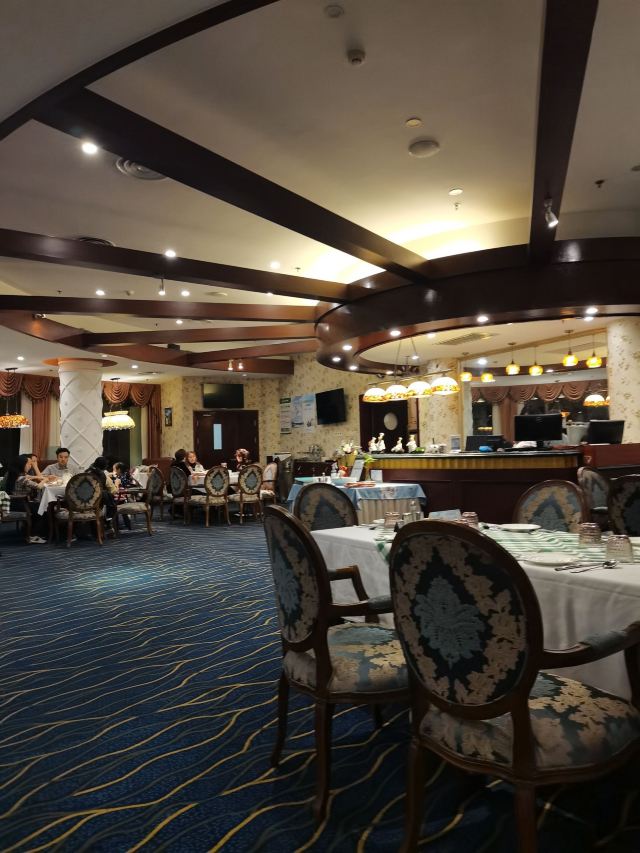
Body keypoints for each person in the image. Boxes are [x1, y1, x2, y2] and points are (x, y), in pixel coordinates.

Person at [5, 453, 47, 543]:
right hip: (19, 503)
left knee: (38, 506)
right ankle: (32, 535)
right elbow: (39, 486)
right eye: (28, 464)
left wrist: (36, 477)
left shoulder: (14, 475)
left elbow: (28, 478)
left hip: (13, 502)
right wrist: (45, 480)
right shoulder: (22, 478)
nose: (30, 466)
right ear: (22, 465)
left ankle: (29, 531)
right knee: (41, 509)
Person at [86, 456, 118, 530]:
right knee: (107, 495)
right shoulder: (102, 475)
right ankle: (107, 521)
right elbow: (113, 490)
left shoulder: (86, 472)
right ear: (104, 466)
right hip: (97, 504)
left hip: (81, 503)